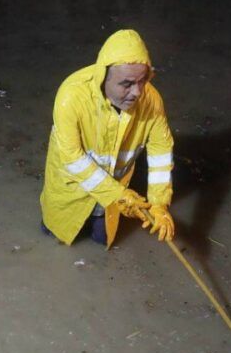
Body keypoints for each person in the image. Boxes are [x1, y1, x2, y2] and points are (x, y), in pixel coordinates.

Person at [40, 29, 176, 248]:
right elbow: (72, 158)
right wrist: (118, 195)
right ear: (103, 76)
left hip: (113, 194)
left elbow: (160, 154)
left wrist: (160, 204)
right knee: (55, 229)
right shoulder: (71, 96)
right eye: (127, 84)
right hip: (72, 187)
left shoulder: (152, 101)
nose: (137, 92)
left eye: (143, 81)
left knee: (101, 239)